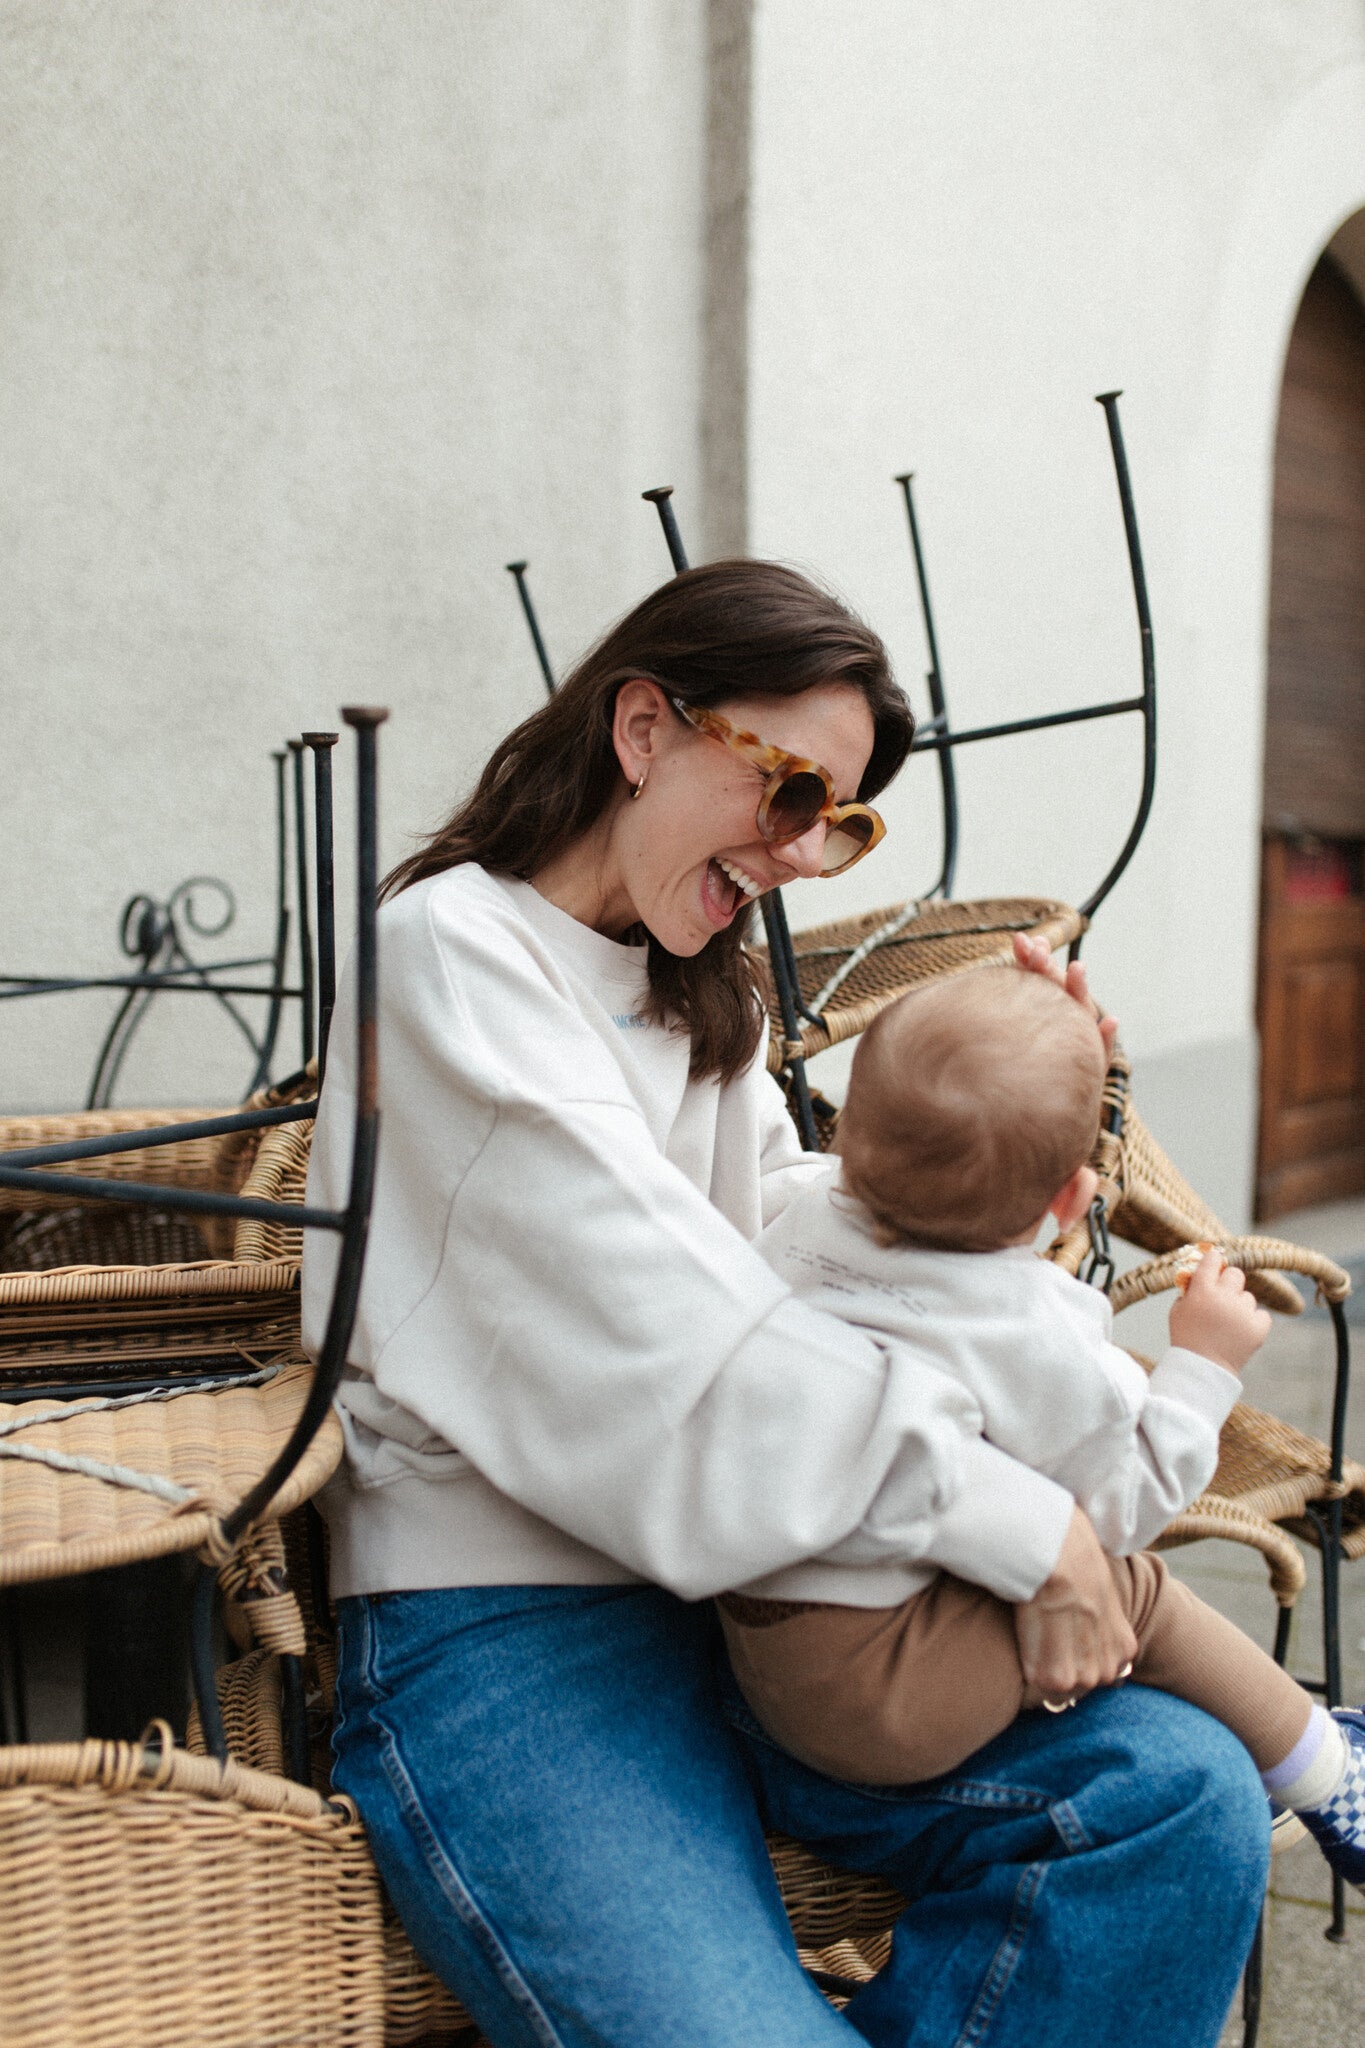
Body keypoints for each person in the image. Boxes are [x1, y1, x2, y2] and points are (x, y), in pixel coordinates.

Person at [302, 559, 1268, 2048]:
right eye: (793, 792)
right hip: (506, 1632)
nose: (808, 855)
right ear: (643, 729)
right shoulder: (451, 953)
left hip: (764, 1613)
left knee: (1180, 1800)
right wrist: (1032, 1530)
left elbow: (810, 1245)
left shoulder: (690, 988)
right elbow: (690, 1339)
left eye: (842, 820)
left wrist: (1030, 1142)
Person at [719, 968, 1365, 1899]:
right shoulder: (1025, 1332)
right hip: (884, 1700)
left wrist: (1033, 1050)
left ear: (849, 1132)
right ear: (1072, 1199)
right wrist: (1203, 1363)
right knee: (1135, 1591)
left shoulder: (803, 1218)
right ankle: (1325, 1775)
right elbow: (1128, 1506)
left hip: (761, 1643)